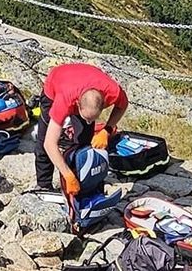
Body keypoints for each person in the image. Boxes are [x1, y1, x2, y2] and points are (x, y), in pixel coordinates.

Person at [34, 62, 128, 194]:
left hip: (85, 78)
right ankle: (44, 184)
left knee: (84, 141)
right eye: (86, 118)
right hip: (57, 81)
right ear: (77, 105)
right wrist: (67, 174)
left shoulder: (113, 91)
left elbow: (122, 106)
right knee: (43, 140)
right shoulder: (64, 100)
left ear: (103, 104)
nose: (89, 122)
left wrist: (107, 129)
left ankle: (83, 180)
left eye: (93, 118)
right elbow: (49, 144)